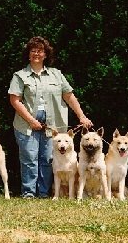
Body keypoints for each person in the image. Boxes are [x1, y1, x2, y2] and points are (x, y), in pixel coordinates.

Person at [8, 36, 93, 198]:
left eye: (40, 51)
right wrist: (31, 120)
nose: (36, 54)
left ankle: (44, 193)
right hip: (26, 125)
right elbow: (15, 100)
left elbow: (69, 96)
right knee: (29, 159)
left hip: (53, 126)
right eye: (33, 51)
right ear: (28, 54)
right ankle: (29, 194)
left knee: (47, 160)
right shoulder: (20, 75)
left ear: (46, 54)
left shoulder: (56, 74)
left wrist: (81, 116)